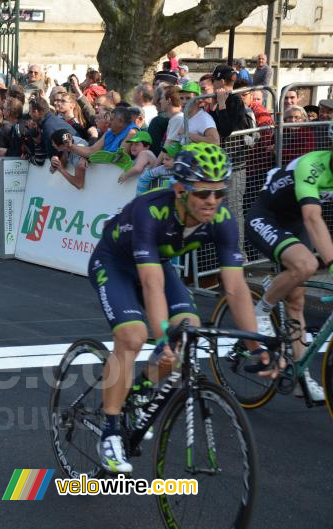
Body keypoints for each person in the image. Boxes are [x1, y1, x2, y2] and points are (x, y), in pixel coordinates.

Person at [88, 143, 264, 473]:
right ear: (181, 190)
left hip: (159, 263)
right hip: (115, 264)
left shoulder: (222, 219)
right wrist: (161, 339)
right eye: (203, 193)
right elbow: (151, 284)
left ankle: (140, 391)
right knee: (133, 336)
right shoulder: (150, 210)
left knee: (188, 329)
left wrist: (257, 347)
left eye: (219, 192)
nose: (212, 201)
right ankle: (110, 432)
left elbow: (236, 287)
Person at [244, 144, 333, 403]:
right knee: (306, 265)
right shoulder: (312, 165)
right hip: (266, 217)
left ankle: (300, 377)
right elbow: (312, 217)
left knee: (296, 301)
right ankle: (260, 311)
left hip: (294, 225)